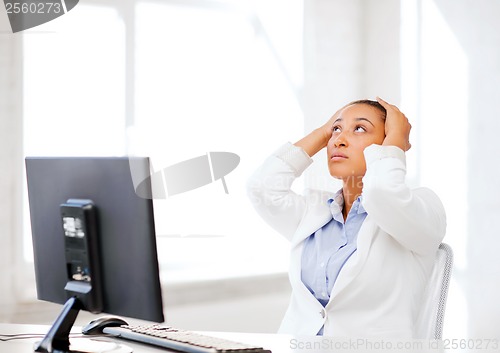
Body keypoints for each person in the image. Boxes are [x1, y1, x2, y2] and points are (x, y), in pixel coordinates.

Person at [247, 97, 446, 338]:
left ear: (386, 145)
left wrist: (396, 143)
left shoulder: (421, 207)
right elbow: (262, 187)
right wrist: (322, 133)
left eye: (360, 129)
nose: (339, 140)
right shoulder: (314, 212)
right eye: (336, 130)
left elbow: (383, 192)